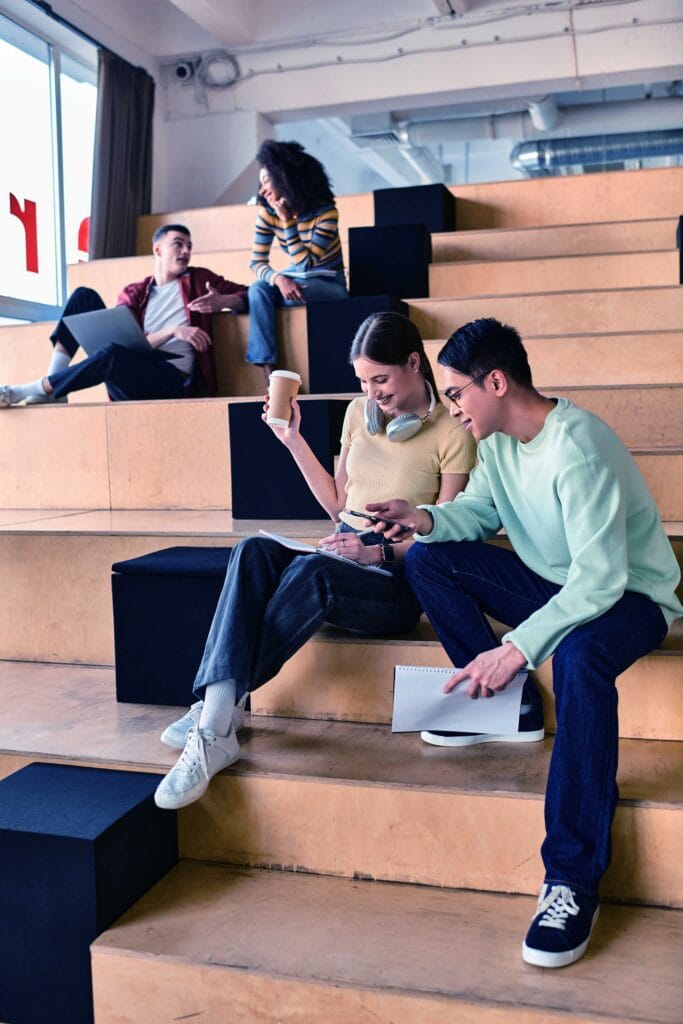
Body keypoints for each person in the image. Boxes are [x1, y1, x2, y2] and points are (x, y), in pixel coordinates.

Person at [366, 317, 683, 970]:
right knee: (429, 557)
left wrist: (512, 651)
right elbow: (477, 514)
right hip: (558, 586)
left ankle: (569, 878)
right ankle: (510, 710)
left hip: (631, 598)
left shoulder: (578, 445)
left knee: (577, 656)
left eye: (456, 395)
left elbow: (598, 582)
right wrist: (420, 517)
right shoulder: (499, 443)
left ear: (496, 382)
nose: (451, 410)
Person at [153, 311, 476, 811]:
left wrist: (372, 550)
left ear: (415, 363)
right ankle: (219, 718)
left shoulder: (453, 431)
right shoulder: (356, 415)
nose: (372, 393)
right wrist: (293, 439)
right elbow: (336, 503)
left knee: (313, 570)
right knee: (253, 551)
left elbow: (445, 537)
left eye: (381, 379)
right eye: (363, 381)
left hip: (395, 575)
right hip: (343, 548)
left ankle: (213, 715)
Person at [0, 224, 248, 407]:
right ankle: (55, 389)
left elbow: (249, 294)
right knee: (83, 297)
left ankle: (34, 389)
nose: (186, 251)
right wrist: (173, 331)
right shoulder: (135, 292)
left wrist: (222, 301)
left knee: (113, 354)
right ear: (158, 249)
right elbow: (132, 346)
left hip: (172, 381)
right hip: (132, 370)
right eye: (179, 244)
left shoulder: (199, 279)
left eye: (189, 247)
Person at [246, 139, 348, 381]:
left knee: (260, 296)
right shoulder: (266, 213)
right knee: (257, 289)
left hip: (329, 284)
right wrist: (279, 278)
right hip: (293, 278)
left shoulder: (326, 214)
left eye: (267, 182)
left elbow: (306, 264)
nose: (262, 191)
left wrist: (287, 221)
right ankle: (269, 373)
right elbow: (256, 262)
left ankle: (239, 300)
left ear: (286, 179)